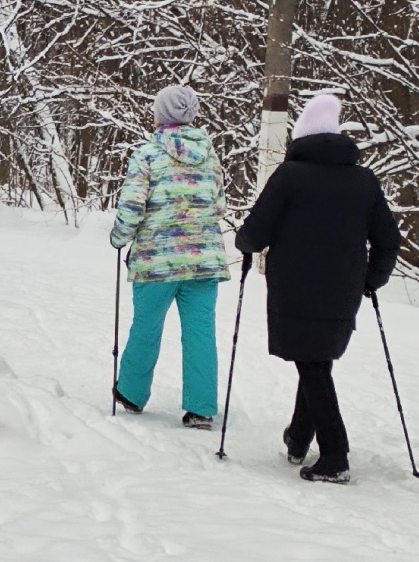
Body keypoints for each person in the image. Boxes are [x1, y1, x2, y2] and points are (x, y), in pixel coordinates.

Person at [235, 94, 401, 483]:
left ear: (301, 137)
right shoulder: (364, 180)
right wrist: (371, 281)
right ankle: (297, 438)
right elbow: (388, 241)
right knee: (315, 359)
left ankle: (335, 456)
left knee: (311, 363)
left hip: (294, 287)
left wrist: (244, 244)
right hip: (343, 290)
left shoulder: (290, 176)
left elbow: (256, 232)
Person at [110, 85, 230, 430]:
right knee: (201, 332)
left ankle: (132, 393)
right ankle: (201, 407)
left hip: (157, 260)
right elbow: (219, 205)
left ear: (159, 115)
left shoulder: (147, 154)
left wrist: (119, 238)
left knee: (147, 326)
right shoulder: (210, 156)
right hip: (204, 260)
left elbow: (132, 205)